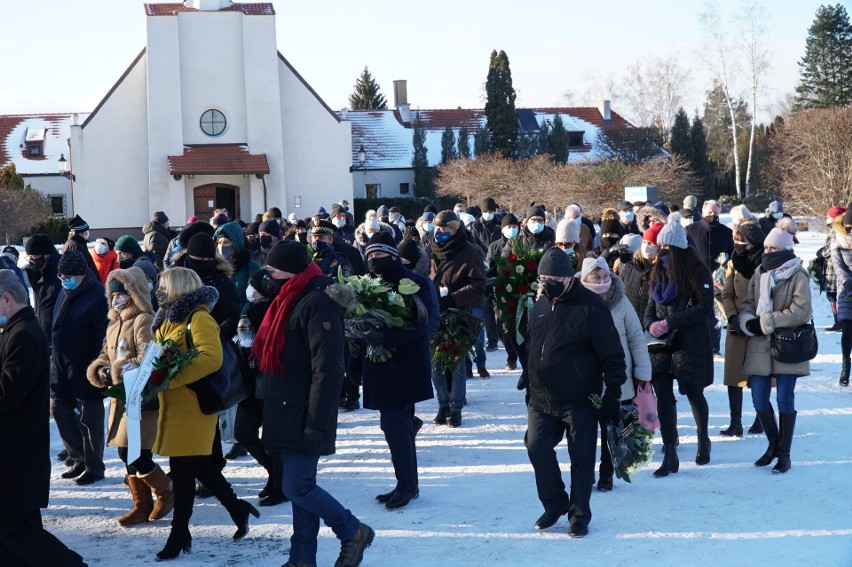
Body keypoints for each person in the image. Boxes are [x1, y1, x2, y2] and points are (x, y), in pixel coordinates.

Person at [252, 240, 374, 567]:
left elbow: (329, 368)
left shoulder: (315, 302)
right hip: (284, 407)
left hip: (304, 412)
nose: (268, 275)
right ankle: (302, 559)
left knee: (297, 487)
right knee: (300, 489)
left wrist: (317, 423)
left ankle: (353, 531)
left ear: (290, 271)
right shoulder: (287, 298)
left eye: (272, 269)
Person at [150, 267, 259, 561]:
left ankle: (179, 533)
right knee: (198, 466)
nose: (159, 289)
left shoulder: (198, 318)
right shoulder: (169, 319)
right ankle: (237, 508)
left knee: (184, 470)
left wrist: (171, 378)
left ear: (177, 287)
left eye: (163, 285)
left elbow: (211, 359)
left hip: (194, 406)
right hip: (175, 405)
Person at [524, 248, 627, 537]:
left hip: (579, 399)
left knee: (581, 457)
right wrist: (527, 377)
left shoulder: (592, 307)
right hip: (541, 397)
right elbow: (534, 343)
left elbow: (613, 355)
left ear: (570, 278)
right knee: (536, 447)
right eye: (544, 278)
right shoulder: (541, 303)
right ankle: (554, 502)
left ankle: (579, 515)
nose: (548, 283)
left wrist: (613, 394)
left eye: (554, 278)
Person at [0, 270, 87, 566]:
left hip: (17, 452)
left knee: (15, 532)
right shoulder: (16, 330)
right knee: (16, 532)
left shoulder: (23, 334)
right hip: (16, 450)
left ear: (7, 299)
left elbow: (8, 394)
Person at [86, 267, 173, 526]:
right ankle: (141, 504)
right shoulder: (114, 324)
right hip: (121, 397)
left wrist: (117, 370)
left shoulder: (143, 320)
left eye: (121, 294)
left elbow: (148, 357)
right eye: (112, 296)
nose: (116, 300)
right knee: (126, 453)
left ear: (133, 294)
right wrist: (101, 369)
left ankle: (166, 490)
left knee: (132, 452)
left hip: (140, 398)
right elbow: (105, 353)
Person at [361, 233, 440, 509]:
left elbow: (424, 323)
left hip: (404, 365)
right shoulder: (368, 284)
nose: (373, 259)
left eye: (378, 254)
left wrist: (386, 338)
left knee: (394, 426)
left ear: (392, 255)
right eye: (369, 255)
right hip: (380, 364)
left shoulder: (414, 283)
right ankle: (407, 483)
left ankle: (407, 486)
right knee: (398, 426)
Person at [737, 218, 811, 474]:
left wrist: (766, 322)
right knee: (759, 401)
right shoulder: (760, 274)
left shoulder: (798, 274)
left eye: (773, 249)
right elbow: (747, 303)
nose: (767, 252)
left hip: (788, 346)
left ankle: (785, 454)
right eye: (766, 248)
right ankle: (773, 445)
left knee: (784, 399)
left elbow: (801, 311)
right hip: (759, 346)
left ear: (785, 250)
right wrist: (748, 321)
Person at [645, 213, 714, 476]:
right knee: (663, 396)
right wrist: (651, 323)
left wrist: (670, 322)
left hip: (690, 342)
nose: (662, 253)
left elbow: (704, 307)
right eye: (660, 248)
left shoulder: (697, 271)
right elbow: (651, 306)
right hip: (662, 344)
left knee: (694, 392)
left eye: (667, 249)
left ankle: (703, 440)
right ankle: (670, 451)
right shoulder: (658, 272)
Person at [577, 257, 651, 492]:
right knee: (584, 429)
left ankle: (606, 472)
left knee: (611, 426)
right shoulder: (576, 300)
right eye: (596, 277)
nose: (601, 281)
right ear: (585, 278)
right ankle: (584, 472)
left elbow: (636, 336)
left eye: (605, 276)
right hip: (585, 376)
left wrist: (642, 371)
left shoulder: (620, 300)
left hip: (616, 375)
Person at [51, 250, 109, 485]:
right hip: (61, 364)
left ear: (82, 275)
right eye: (61, 275)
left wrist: (96, 366)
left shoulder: (97, 296)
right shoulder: (64, 292)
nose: (64, 279)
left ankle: (94, 466)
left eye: (69, 275)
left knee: (90, 417)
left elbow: (101, 336)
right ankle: (78, 458)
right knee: (59, 408)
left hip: (86, 367)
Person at [429, 211, 487, 427]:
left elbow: (478, 285)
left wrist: (453, 298)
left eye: (444, 229)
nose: (439, 233)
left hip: (459, 314)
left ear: (454, 229)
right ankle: (442, 404)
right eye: (437, 228)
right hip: (435, 312)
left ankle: (455, 408)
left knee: (456, 362)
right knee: (435, 363)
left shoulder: (469, 251)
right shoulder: (432, 247)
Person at [720, 221, 767, 437]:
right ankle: (735, 422)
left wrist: (756, 321)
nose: (737, 244)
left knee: (759, 374)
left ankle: (761, 418)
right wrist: (732, 317)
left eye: (742, 241)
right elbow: (727, 294)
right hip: (737, 328)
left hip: (759, 327)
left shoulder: (766, 264)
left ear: (753, 242)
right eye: (735, 240)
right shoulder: (733, 262)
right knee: (733, 376)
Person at [686, 199, 733, 357]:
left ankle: (714, 347)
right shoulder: (691, 230)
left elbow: (732, 253)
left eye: (715, 212)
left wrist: (726, 263)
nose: (712, 215)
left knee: (716, 316)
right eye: (709, 212)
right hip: (695, 279)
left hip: (718, 280)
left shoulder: (727, 232)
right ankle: (696, 344)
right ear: (703, 212)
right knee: (697, 313)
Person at [487, 213, 521, 371]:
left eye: (515, 227)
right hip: (502, 292)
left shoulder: (523, 244)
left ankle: (521, 357)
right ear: (503, 229)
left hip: (521, 290)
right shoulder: (495, 246)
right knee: (505, 328)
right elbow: (490, 269)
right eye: (509, 227)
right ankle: (511, 357)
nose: (512, 230)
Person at [214, 221, 261, 313]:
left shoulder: (251, 267)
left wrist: (239, 321)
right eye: (219, 242)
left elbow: (252, 299)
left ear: (236, 243)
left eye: (226, 242)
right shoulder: (214, 268)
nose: (221, 246)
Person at [24, 234, 62, 344]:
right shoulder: (38, 272)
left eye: (34, 257)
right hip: (44, 336)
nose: (31, 260)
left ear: (47, 255)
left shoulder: (60, 273)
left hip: (57, 339)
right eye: (29, 256)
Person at [621, 222, 662, 323]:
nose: (646, 247)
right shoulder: (629, 267)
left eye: (651, 243)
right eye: (644, 242)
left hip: (652, 324)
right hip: (630, 322)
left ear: (659, 247)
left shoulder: (663, 271)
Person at [831, 205, 852, 387]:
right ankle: (845, 367)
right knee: (847, 330)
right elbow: (838, 266)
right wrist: (848, 282)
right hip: (846, 290)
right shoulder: (837, 239)